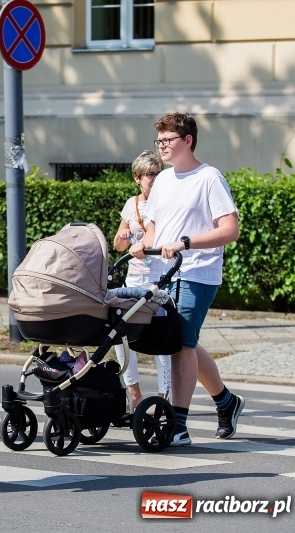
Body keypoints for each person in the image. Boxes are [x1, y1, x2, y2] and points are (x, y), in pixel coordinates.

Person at [130, 112, 244, 447]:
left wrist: (187, 242)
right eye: (159, 141)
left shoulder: (209, 178)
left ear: (188, 141)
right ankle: (226, 401)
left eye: (168, 140)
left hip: (197, 271)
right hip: (162, 273)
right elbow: (154, 228)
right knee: (184, 340)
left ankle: (177, 425)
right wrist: (143, 245)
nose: (162, 147)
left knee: (181, 343)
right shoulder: (163, 181)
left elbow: (230, 229)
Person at [112, 150, 171, 407]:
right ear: (137, 177)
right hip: (133, 279)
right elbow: (117, 246)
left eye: (159, 174)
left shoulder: (168, 203)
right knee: (121, 337)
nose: (155, 179)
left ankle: (163, 397)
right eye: (150, 174)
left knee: (161, 339)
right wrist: (123, 238)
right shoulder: (131, 204)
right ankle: (135, 395)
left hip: (159, 279)